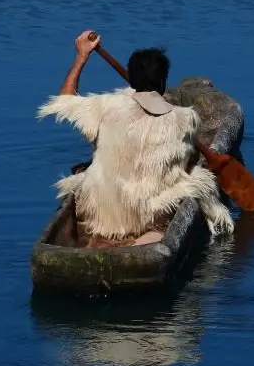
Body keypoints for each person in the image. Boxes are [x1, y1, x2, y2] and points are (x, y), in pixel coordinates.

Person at [37, 30, 234, 243]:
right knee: (196, 176)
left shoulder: (106, 106)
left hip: (101, 209)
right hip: (149, 216)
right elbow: (184, 160)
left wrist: (81, 57)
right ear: (163, 83)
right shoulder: (186, 119)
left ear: (131, 79)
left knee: (87, 171)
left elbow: (65, 99)